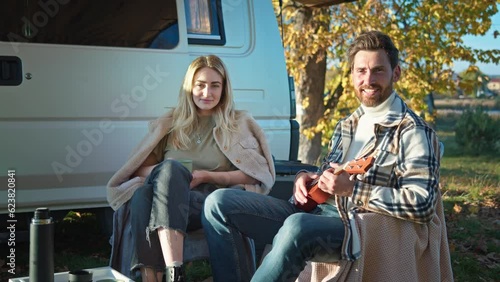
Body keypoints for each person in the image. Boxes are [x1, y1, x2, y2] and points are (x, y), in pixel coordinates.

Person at [202, 30, 453, 281]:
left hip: (355, 227)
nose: (368, 79)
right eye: (361, 71)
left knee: (297, 227)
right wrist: (305, 178)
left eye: (378, 70)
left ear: (395, 73)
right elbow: (328, 173)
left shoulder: (413, 132)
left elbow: (423, 205)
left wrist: (353, 191)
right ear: (352, 75)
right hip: (312, 211)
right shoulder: (347, 125)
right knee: (218, 203)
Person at [106, 55, 275, 282]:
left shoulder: (238, 123)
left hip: (207, 204)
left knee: (150, 191)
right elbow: (139, 170)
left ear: (224, 89)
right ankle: (162, 274)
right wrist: (169, 173)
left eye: (215, 86)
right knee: (146, 191)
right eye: (200, 85)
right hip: (166, 201)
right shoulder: (170, 123)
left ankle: (167, 274)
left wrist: (207, 175)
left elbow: (255, 174)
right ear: (189, 87)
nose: (207, 93)